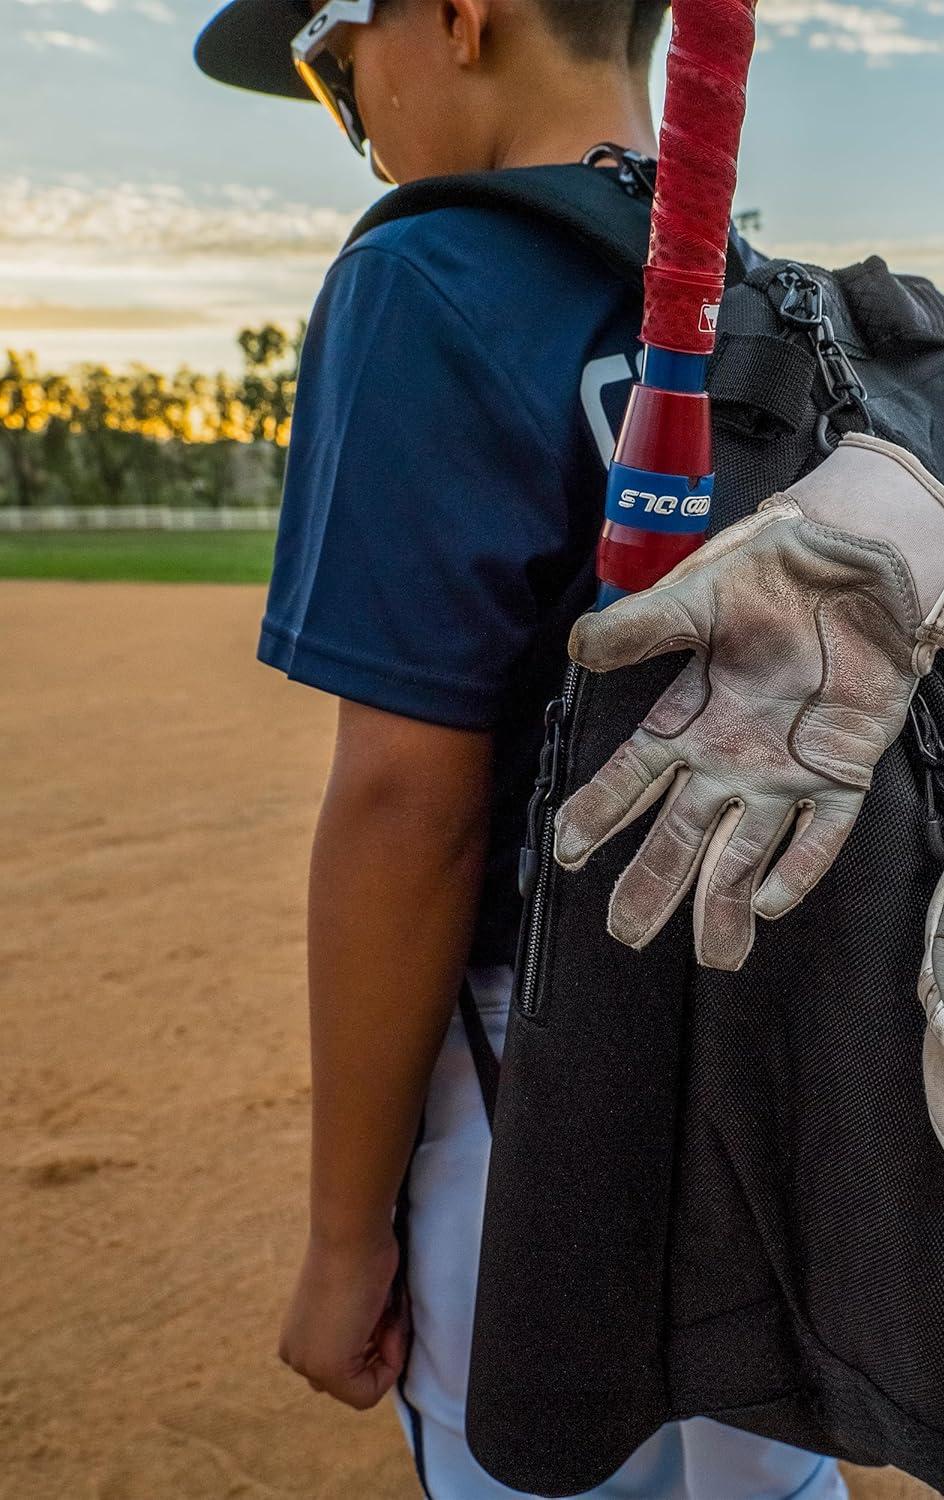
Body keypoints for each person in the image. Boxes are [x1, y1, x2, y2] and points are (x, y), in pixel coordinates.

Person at [192, 2, 848, 1496]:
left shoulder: (427, 268)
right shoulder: (769, 294)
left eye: (338, 77)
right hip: (782, 1060)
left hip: (538, 1082)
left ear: (455, 18)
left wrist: (347, 1238)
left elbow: (405, 807)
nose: (360, 130)